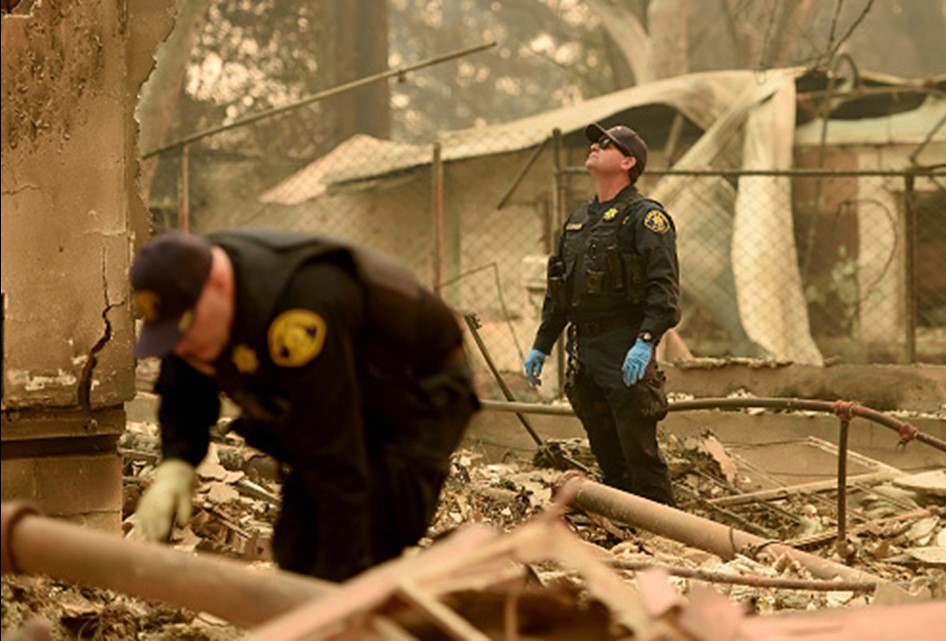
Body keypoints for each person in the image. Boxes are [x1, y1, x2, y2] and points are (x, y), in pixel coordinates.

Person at [128, 228, 479, 582]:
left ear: (218, 282)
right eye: (174, 337)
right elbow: (183, 389)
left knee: (374, 531)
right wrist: (177, 461)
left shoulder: (300, 311)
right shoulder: (192, 303)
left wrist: (342, 584)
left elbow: (335, 453)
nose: (183, 347)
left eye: (186, 331)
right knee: (297, 548)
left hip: (416, 392)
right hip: (341, 390)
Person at [524, 123, 680, 505]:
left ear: (628, 161)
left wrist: (645, 342)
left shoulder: (646, 218)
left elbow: (665, 289)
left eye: (607, 143)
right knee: (608, 454)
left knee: (639, 452)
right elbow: (560, 290)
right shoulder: (578, 219)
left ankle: (669, 535)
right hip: (584, 350)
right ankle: (625, 534)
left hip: (624, 346)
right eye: (596, 141)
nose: (595, 145)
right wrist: (542, 345)